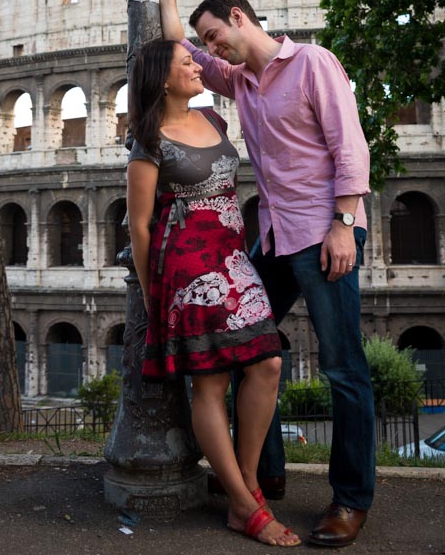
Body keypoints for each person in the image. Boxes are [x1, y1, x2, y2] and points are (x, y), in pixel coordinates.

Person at [141, 0, 376, 549]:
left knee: (344, 368)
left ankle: (351, 500)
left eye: (217, 36)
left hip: (323, 236)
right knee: (254, 350)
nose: (211, 51)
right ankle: (261, 476)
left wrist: (344, 223)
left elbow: (350, 147)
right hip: (271, 239)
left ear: (240, 18)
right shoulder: (241, 80)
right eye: (209, 44)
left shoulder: (313, 64)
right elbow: (178, 45)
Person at [127, 38, 301, 547]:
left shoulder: (214, 119)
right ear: (163, 79)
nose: (196, 64)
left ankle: (244, 486)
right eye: (186, 63)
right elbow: (139, 227)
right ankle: (245, 505)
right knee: (210, 382)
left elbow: (178, 35)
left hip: (233, 256)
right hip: (187, 267)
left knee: (266, 363)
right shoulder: (149, 141)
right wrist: (153, 293)